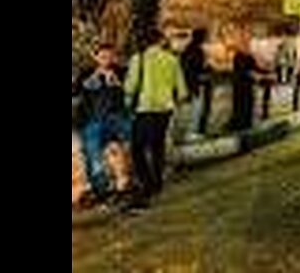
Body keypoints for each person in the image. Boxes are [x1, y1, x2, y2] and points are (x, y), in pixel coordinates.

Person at [124, 28, 189, 210]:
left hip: (144, 108)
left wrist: (126, 102)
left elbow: (130, 87)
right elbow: (182, 90)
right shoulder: (172, 59)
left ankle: (148, 183)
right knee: (157, 145)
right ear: (159, 41)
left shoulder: (139, 59)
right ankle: (157, 181)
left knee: (137, 149)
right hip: (165, 109)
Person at [73, 43, 129, 206]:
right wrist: (93, 79)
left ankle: (121, 189)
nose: (106, 60)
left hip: (115, 119)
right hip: (92, 121)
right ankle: (100, 191)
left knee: (119, 151)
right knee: (93, 156)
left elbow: (129, 91)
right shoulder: (86, 73)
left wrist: (116, 82)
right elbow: (76, 92)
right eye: (103, 56)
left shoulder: (120, 71)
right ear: (95, 57)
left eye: (109, 56)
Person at [180, 28, 212, 139]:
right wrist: (206, 71)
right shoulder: (197, 51)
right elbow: (195, 69)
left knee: (193, 109)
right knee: (196, 109)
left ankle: (192, 131)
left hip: (190, 83)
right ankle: (193, 132)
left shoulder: (187, 49)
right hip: (196, 84)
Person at [229, 23, 259, 132]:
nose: (249, 40)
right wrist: (256, 75)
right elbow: (243, 71)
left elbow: (255, 67)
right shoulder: (239, 55)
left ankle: (245, 125)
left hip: (247, 85)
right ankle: (239, 126)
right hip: (241, 84)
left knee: (247, 105)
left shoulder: (248, 54)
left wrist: (264, 72)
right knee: (241, 105)